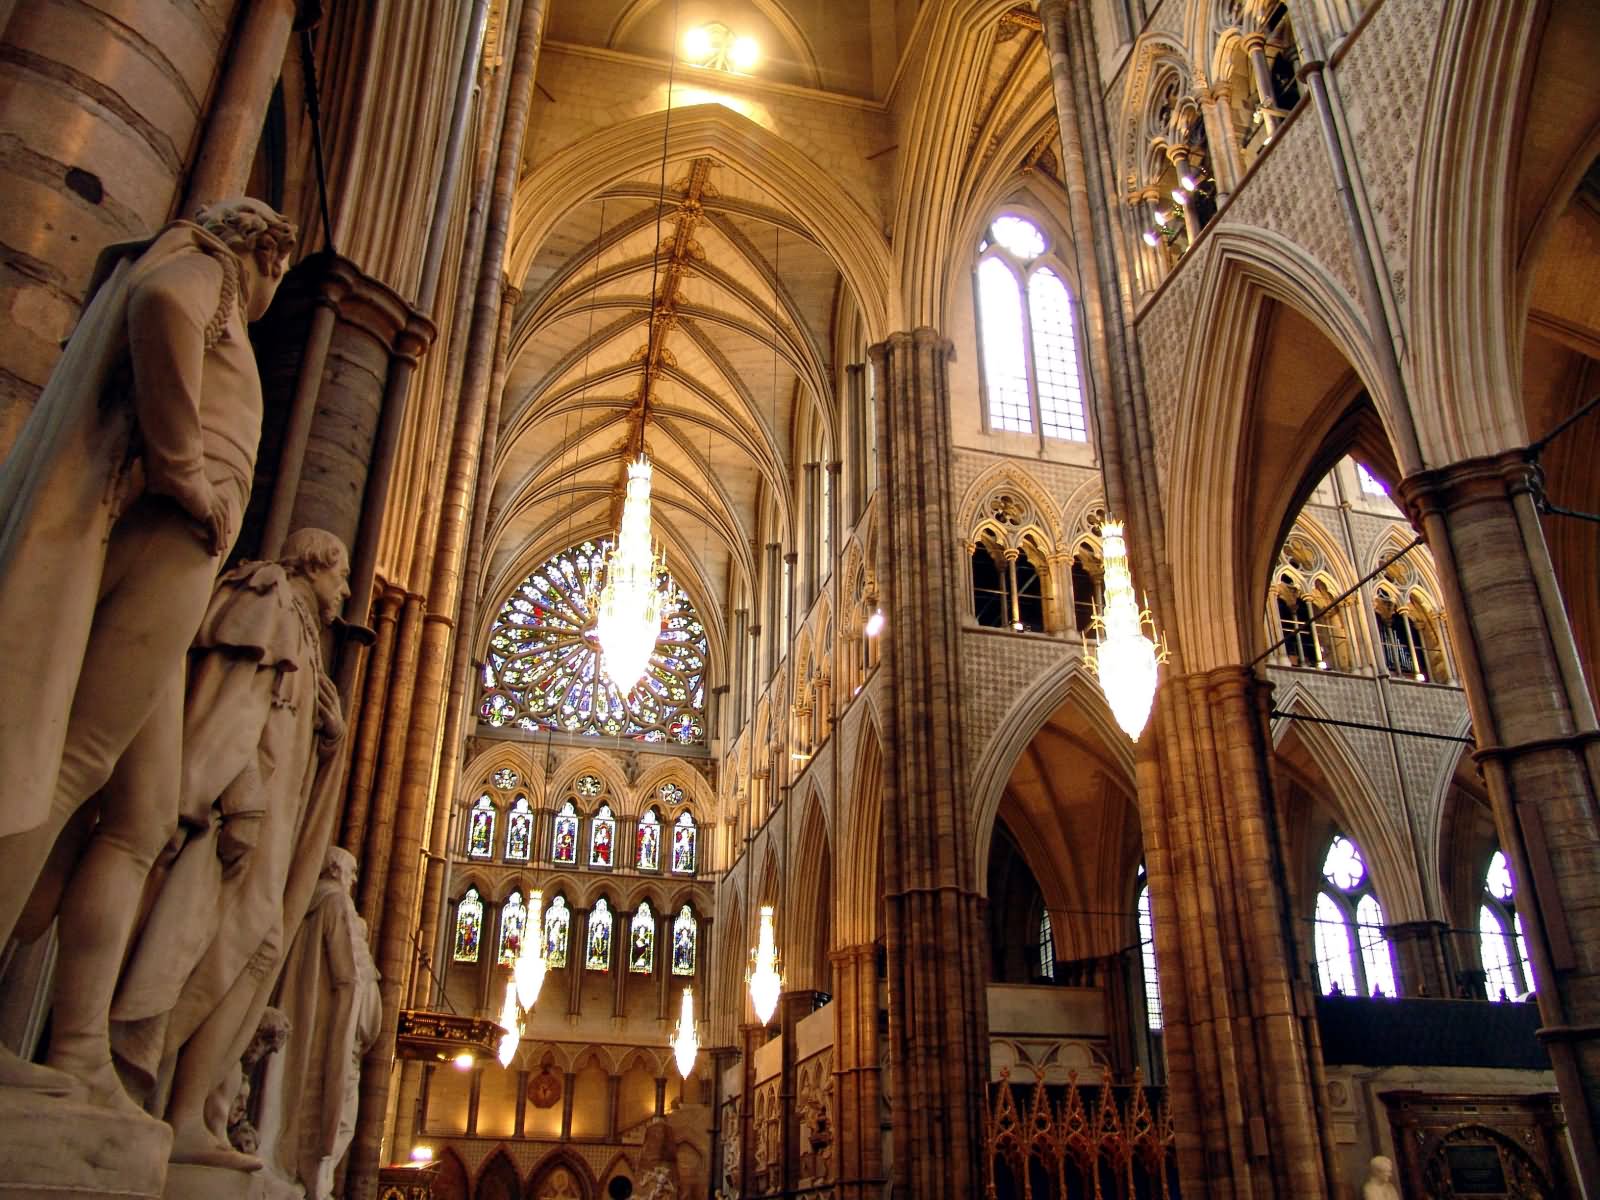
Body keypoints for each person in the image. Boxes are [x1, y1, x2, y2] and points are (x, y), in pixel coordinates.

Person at [0, 198, 295, 1107]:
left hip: (183, 562)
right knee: (65, 769)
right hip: (171, 538)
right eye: (276, 271)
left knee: (140, 819)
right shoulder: (201, 264)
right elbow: (159, 304)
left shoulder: (219, 298)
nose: (273, 290)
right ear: (259, 249)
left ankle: (78, 1048)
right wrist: (185, 474)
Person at [110, 528, 349, 1163]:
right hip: (236, 816)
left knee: (260, 948)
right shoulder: (265, 599)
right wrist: (238, 792)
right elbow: (226, 708)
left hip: (275, 824)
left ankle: (190, 1109)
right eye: (342, 574)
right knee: (201, 940)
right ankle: (139, 1071)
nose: (348, 589)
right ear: (313, 564)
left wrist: (331, 739)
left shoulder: (303, 633)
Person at [258, 847, 381, 1199]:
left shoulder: (308, 905)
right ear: (335, 870)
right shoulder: (334, 904)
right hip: (328, 1028)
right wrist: (361, 1016)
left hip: (317, 1021)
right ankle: (310, 1178)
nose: (355, 878)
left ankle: (304, 1174)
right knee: (331, 1113)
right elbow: (348, 976)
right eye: (352, 871)